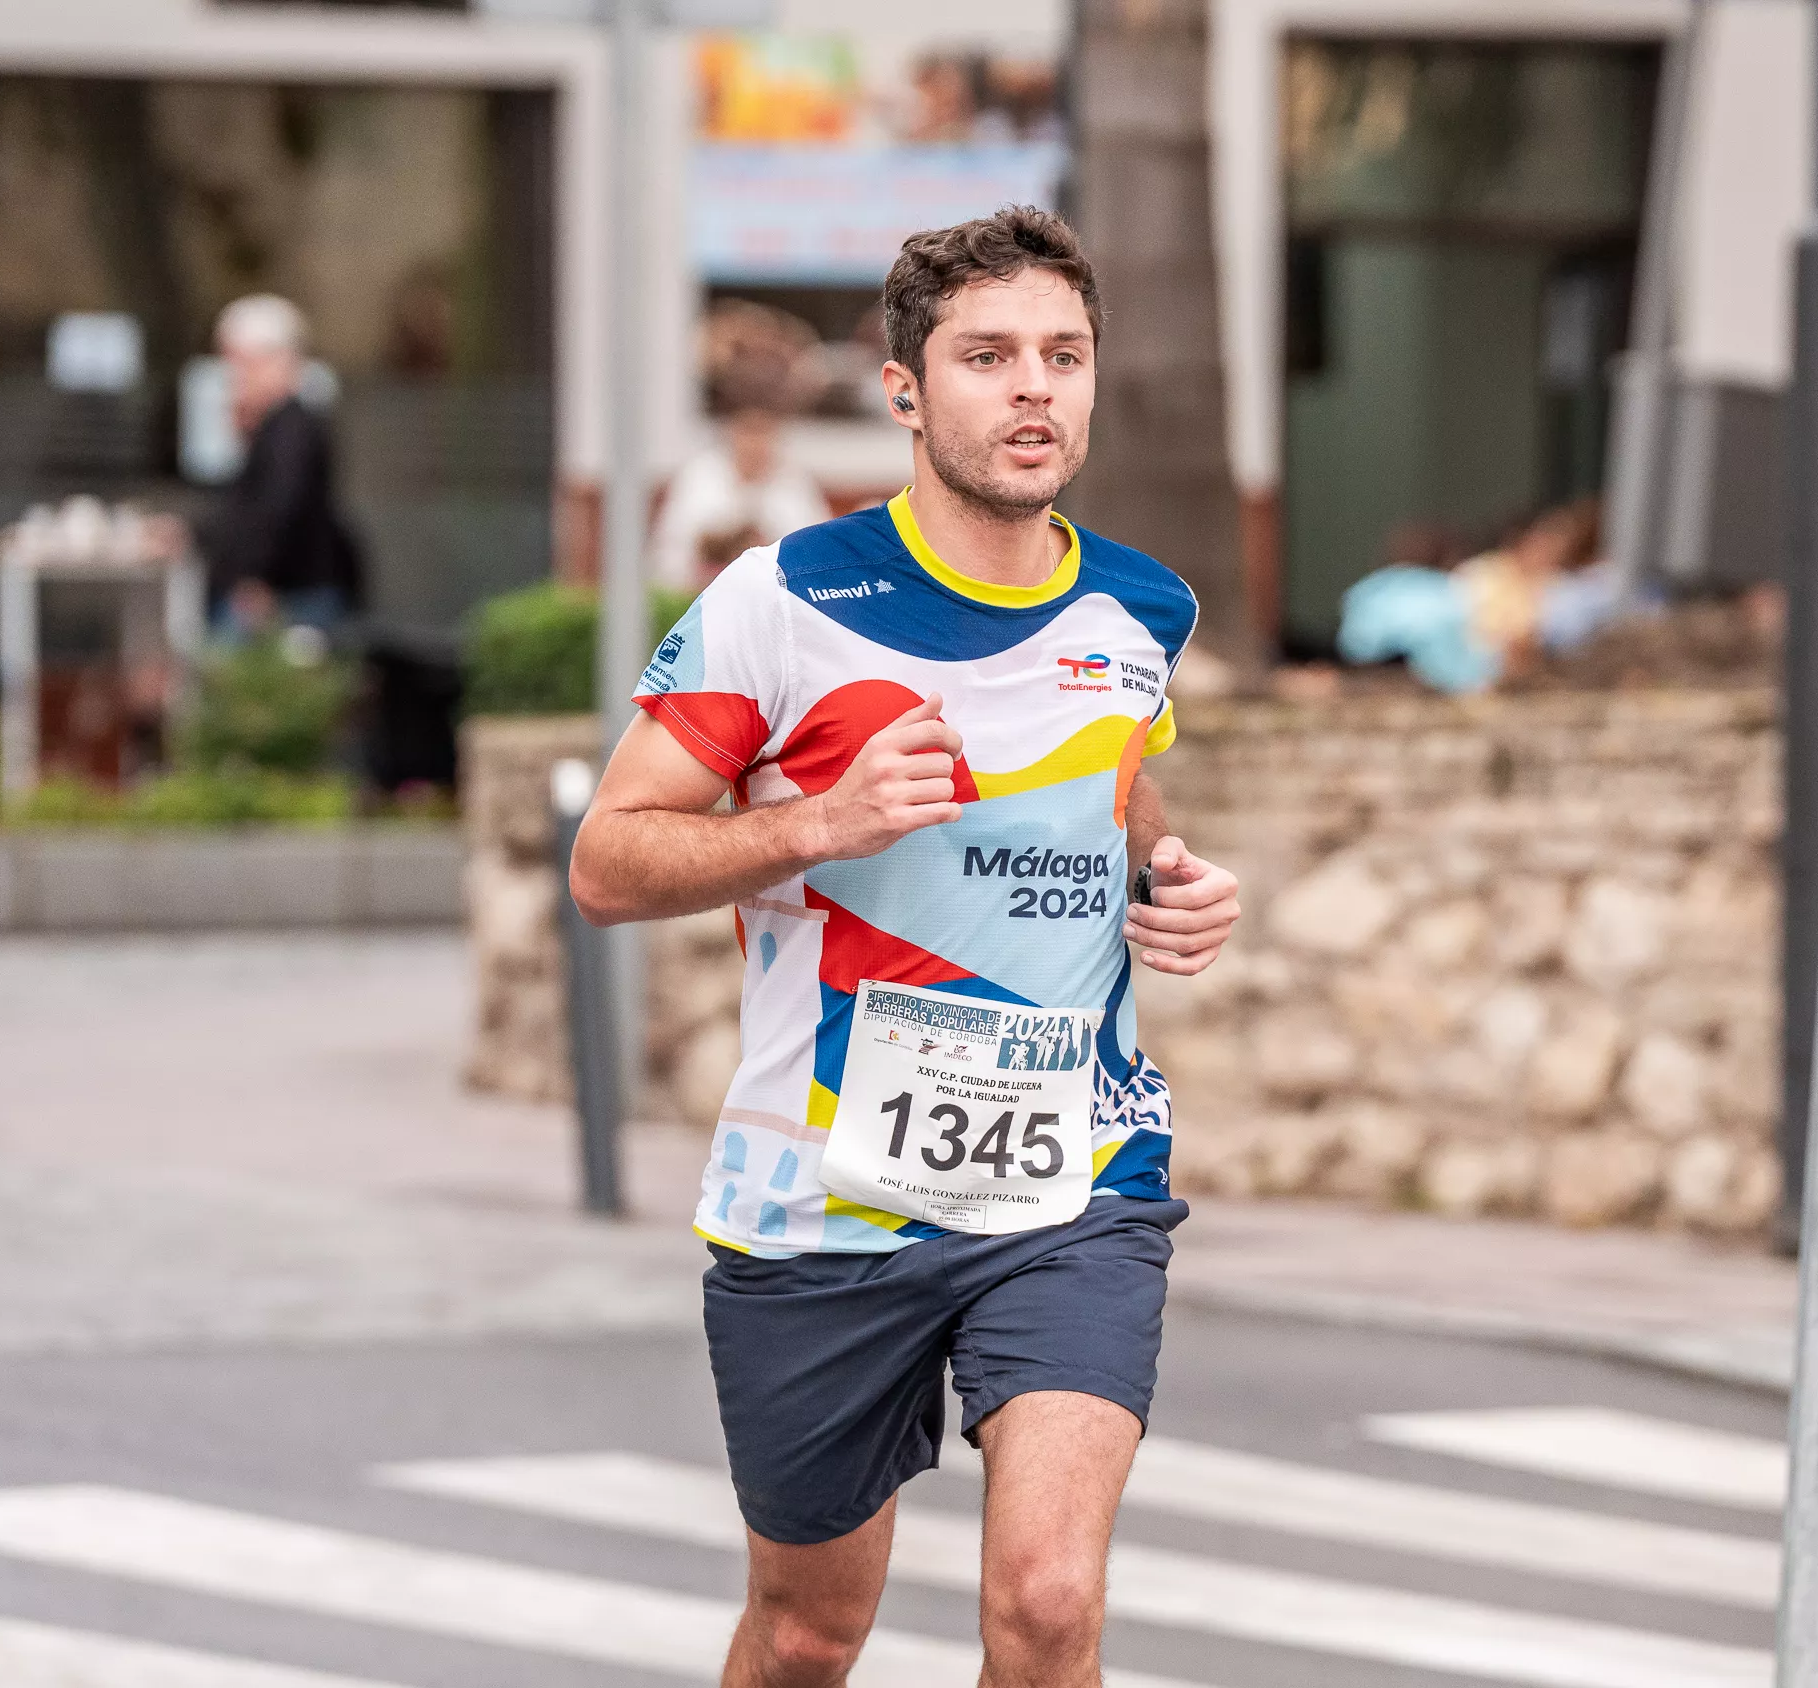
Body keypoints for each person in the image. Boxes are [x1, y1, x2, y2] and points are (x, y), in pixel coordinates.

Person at [569, 206, 1243, 1688]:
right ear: (903, 390)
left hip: (1072, 1167)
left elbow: (1118, 776)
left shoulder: (1141, 606)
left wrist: (1173, 877)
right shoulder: (784, 604)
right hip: (821, 1190)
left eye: (1063, 355)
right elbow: (608, 861)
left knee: (1050, 1606)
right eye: (988, 355)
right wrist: (815, 826)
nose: (1033, 390)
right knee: (812, 1634)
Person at [193, 294, 366, 638]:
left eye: (239, 364)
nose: (232, 378)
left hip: (285, 597)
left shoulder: (291, 428)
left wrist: (255, 576)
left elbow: (279, 509)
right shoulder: (279, 426)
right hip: (285, 591)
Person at [648, 406, 831, 590]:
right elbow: (674, 544)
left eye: (762, 435)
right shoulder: (699, 475)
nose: (755, 446)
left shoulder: (796, 480)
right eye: (748, 435)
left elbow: (815, 546)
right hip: (702, 592)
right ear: (732, 436)